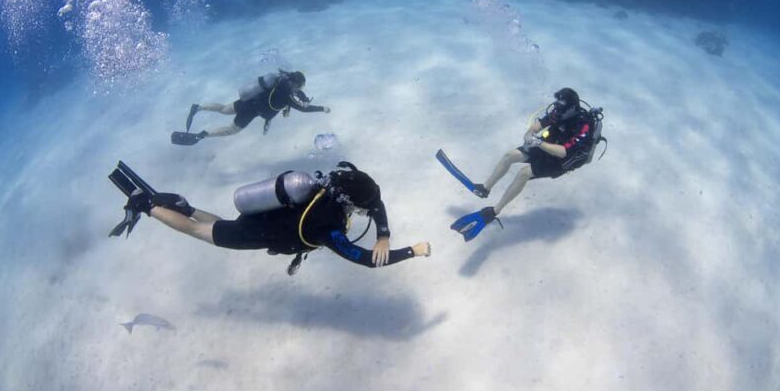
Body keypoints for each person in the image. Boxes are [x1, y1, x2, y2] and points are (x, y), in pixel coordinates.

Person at [110, 161, 431, 274]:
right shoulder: (328, 228)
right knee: (199, 233)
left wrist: (384, 233)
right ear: (352, 203)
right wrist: (411, 252)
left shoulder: (335, 181)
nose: (369, 211)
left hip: (263, 217)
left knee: (218, 223)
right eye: (365, 208)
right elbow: (363, 259)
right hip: (261, 233)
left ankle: (186, 206)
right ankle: (147, 206)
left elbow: (373, 200)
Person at [445, 88, 604, 241]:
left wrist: (538, 142)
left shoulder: (584, 125)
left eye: (562, 108)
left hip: (561, 161)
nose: (558, 111)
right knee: (509, 155)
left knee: (524, 173)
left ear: (572, 108)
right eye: (557, 106)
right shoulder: (558, 112)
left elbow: (563, 152)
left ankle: (494, 211)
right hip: (546, 146)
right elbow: (537, 126)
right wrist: (529, 135)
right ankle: (484, 188)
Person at [172, 70, 330, 145]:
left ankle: (198, 108)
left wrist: (302, 96)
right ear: (295, 84)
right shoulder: (287, 95)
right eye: (299, 87)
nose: (299, 90)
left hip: (247, 101)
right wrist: (322, 108)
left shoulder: (280, 80)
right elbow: (303, 108)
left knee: (224, 109)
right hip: (251, 111)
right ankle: (201, 135)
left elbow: (298, 96)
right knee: (232, 130)